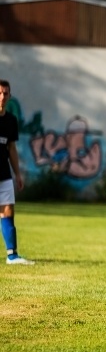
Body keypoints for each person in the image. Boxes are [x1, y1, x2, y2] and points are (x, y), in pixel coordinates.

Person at [0, 80, 33, 265]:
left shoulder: (11, 121)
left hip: (4, 174)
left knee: (7, 212)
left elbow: (11, 148)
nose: (2, 97)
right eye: (0, 93)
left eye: (6, 93)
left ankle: (12, 255)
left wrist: (18, 174)